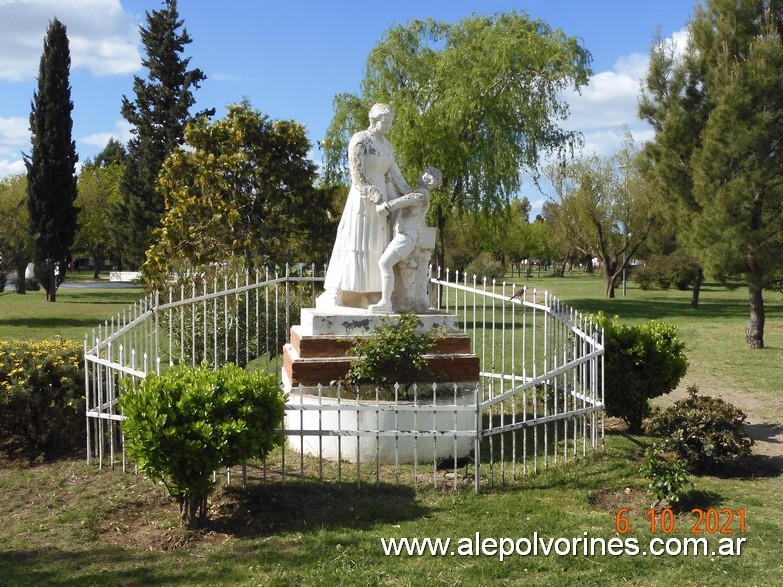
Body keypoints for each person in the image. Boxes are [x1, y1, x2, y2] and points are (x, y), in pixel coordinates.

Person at [316, 104, 412, 309]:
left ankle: (368, 293)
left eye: (390, 123)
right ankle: (339, 291)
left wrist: (412, 193)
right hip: (363, 199)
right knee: (355, 242)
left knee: (376, 247)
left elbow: (395, 174)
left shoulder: (386, 145)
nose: (388, 126)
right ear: (374, 120)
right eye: (385, 122)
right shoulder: (360, 139)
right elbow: (357, 175)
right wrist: (374, 195)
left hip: (383, 201)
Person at [368, 167, 442, 314]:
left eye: (426, 173)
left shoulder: (420, 196)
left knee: (385, 263)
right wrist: (388, 183)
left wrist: (386, 207)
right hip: (404, 236)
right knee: (390, 265)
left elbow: (403, 200)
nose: (422, 174)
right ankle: (394, 301)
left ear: (430, 180)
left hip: (406, 238)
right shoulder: (418, 194)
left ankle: (385, 302)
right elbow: (402, 197)